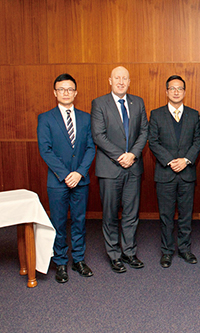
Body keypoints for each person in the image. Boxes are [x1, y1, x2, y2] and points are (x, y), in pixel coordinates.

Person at [37, 73, 95, 283]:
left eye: (70, 89)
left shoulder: (86, 118)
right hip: (57, 182)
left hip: (81, 180)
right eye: (62, 89)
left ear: (76, 92)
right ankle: (60, 262)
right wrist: (65, 175)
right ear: (55, 93)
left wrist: (79, 173)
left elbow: (90, 148)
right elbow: (46, 150)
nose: (66, 93)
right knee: (59, 223)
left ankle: (78, 260)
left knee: (79, 221)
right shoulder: (45, 118)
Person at [91, 66, 149, 273]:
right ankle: (114, 254)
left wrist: (132, 154)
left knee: (132, 214)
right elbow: (99, 136)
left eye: (125, 78)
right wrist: (120, 156)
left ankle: (129, 252)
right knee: (110, 214)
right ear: (110, 80)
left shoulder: (138, 102)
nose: (121, 81)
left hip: (133, 167)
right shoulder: (99, 103)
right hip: (110, 168)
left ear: (129, 81)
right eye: (117, 77)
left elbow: (144, 131)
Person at [148, 75, 200, 268]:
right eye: (172, 88)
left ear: (185, 92)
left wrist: (185, 160)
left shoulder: (194, 115)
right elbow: (153, 141)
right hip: (165, 173)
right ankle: (167, 251)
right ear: (167, 92)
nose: (176, 92)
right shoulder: (156, 114)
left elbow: (198, 141)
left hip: (187, 174)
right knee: (166, 215)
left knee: (186, 215)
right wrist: (171, 161)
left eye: (180, 88)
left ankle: (185, 250)